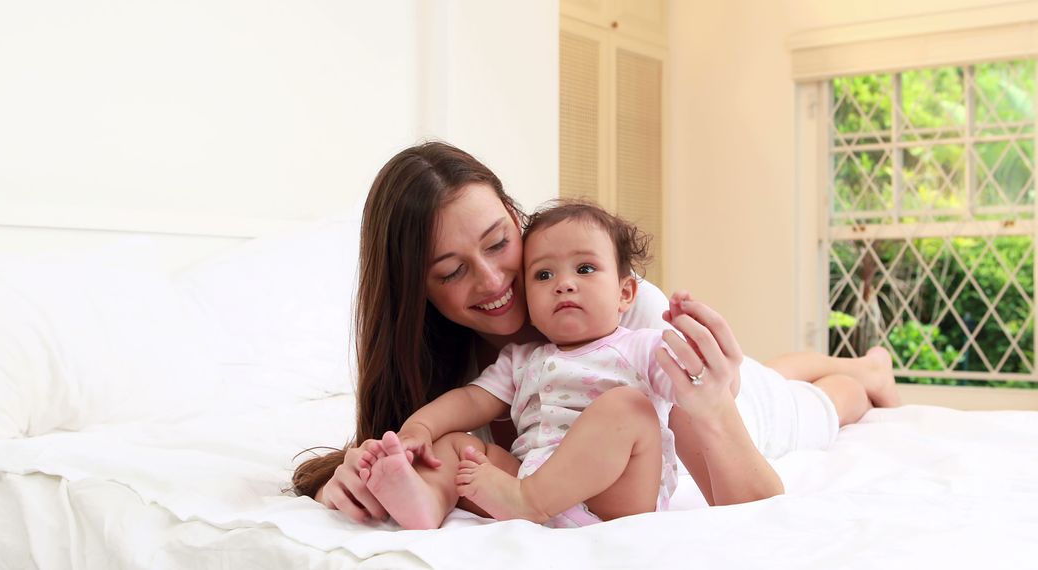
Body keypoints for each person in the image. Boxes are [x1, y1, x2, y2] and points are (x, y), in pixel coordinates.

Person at [291, 141, 899, 526]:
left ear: (515, 216)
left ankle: (869, 372)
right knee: (783, 368)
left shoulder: (623, 318)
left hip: (736, 418)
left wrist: (718, 402)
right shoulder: (458, 363)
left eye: (500, 242)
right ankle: (848, 366)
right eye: (451, 271)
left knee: (818, 398)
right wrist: (358, 471)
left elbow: (756, 507)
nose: (493, 278)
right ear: (415, 293)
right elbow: (415, 437)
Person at [357, 201, 686, 528]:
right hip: (525, 479)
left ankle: (530, 501)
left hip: (614, 494)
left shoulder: (642, 345)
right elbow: (472, 399)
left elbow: (691, 389)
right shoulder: (522, 359)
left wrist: (702, 360)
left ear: (625, 293)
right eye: (544, 275)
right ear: (527, 298)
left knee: (627, 408)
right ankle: (426, 501)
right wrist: (420, 429)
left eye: (585, 269)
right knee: (458, 446)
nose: (564, 283)